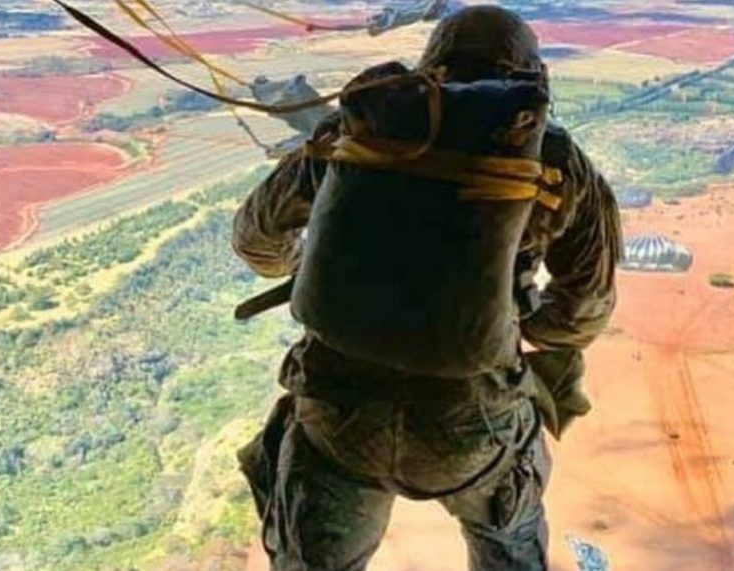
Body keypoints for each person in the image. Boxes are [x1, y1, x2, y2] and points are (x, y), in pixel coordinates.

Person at [232, 6, 622, 571]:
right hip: (475, 425)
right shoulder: (557, 162)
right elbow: (584, 313)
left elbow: (256, 240)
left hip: (338, 413)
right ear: (531, 79)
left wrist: (304, 263)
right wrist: (510, 323)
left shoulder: (363, 132)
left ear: (431, 64)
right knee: (510, 545)